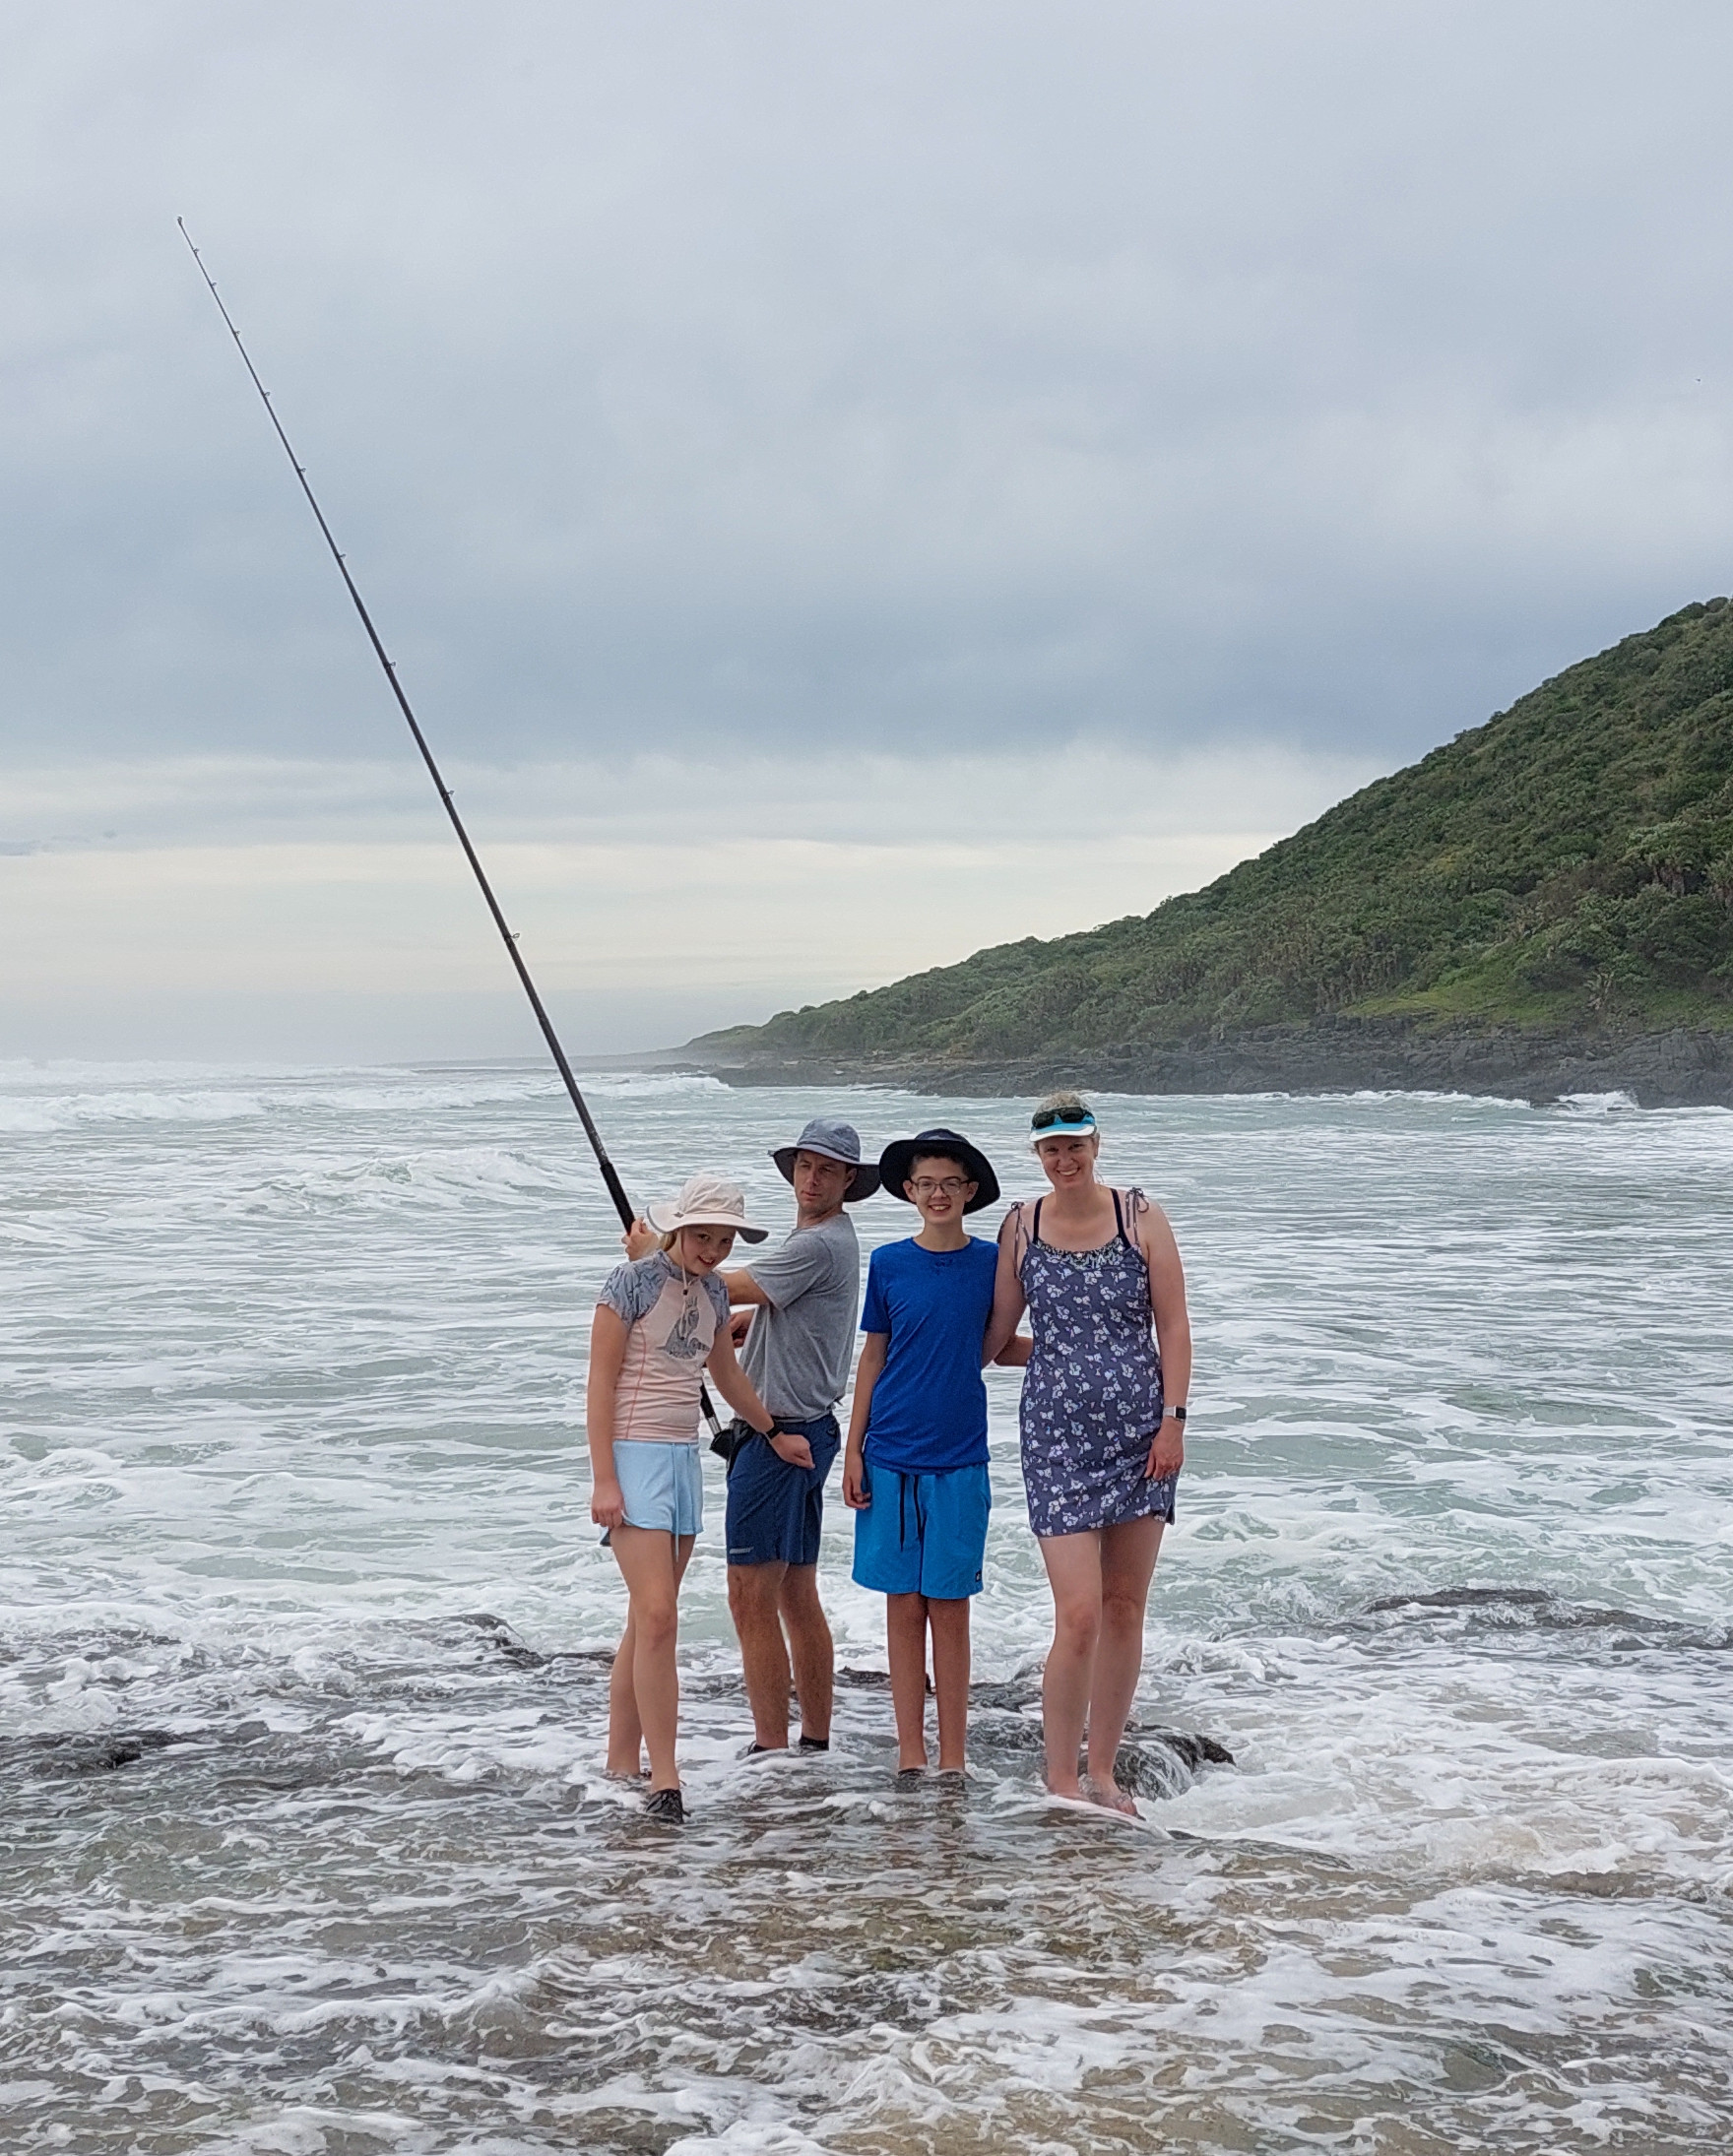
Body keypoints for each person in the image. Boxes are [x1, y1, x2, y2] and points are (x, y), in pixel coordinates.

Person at [986, 1093, 1191, 1813]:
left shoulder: (1140, 1216)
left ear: (1096, 1145)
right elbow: (996, 1337)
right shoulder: (1022, 1225)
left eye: (1075, 1145)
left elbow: (1174, 1326)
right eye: (1051, 1150)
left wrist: (1173, 1421)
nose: (1064, 1159)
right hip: (1056, 1440)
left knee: (1125, 1607)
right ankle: (1060, 1776)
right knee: (1077, 1615)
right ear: (1037, 1155)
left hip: (1142, 1435)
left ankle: (1102, 1770)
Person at [587, 1173, 784, 1823]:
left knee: (645, 1623)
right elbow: (600, 1382)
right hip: (633, 1455)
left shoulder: (716, 1292)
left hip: (681, 1462)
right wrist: (604, 1479)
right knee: (659, 1614)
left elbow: (724, 1372)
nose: (713, 1248)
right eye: (702, 1236)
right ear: (677, 1228)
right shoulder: (631, 1282)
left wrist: (772, 1433)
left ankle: (620, 1760)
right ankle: (665, 1777)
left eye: (725, 1239)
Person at [842, 1127, 1001, 1784]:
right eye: (926, 1183)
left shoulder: (995, 1262)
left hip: (961, 1455)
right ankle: (911, 1752)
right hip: (889, 1451)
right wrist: (852, 1450)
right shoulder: (888, 1262)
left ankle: (954, 1756)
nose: (939, 1193)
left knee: (949, 1609)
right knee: (903, 1609)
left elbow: (1002, 1341)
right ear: (909, 1191)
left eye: (951, 1184)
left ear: (969, 1192)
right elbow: (873, 1357)